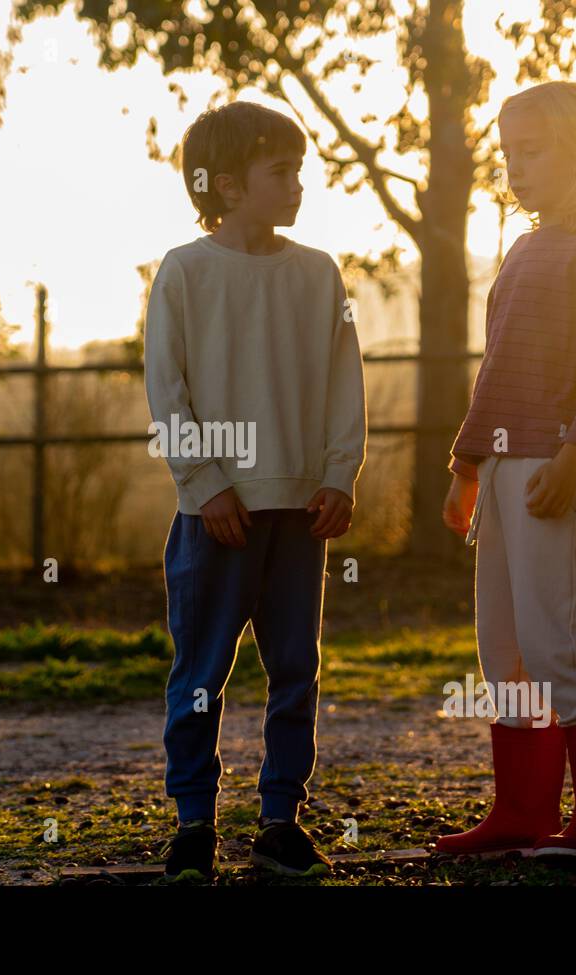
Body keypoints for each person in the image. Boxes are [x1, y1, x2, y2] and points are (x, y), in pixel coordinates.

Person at [143, 101, 367, 882]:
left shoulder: (319, 273)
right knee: (200, 673)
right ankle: (193, 825)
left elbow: (345, 382)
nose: (299, 184)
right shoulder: (184, 271)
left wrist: (339, 474)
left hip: (300, 512)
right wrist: (204, 484)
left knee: (295, 670)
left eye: (300, 170)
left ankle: (280, 821)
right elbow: (167, 393)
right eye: (283, 171)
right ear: (228, 185)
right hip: (216, 517)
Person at [439, 80, 576, 860]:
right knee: (504, 648)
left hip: (553, 460)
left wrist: (575, 450)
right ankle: (522, 811)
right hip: (498, 464)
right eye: (509, 153)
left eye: (535, 150)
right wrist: (465, 464)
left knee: (553, 639)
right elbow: (499, 367)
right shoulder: (522, 247)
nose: (516, 167)